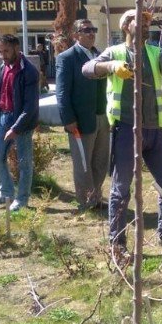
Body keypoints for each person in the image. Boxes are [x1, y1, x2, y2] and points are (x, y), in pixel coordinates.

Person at [82, 8, 162, 266]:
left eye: (148, 21)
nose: (146, 24)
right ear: (126, 25)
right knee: (121, 189)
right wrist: (111, 66)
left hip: (155, 131)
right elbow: (88, 68)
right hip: (125, 129)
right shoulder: (115, 52)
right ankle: (118, 244)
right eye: (140, 20)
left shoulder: (155, 52)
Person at [55, 18, 109, 212]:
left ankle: (96, 197)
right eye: (86, 30)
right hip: (80, 120)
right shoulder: (67, 58)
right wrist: (68, 119)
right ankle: (86, 202)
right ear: (76, 35)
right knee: (83, 164)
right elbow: (61, 92)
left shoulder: (101, 56)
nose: (91, 33)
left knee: (101, 162)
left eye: (93, 29)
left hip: (102, 116)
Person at [0, 34, 39, 212]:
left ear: (16, 48)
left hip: (22, 122)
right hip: (3, 118)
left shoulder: (29, 71)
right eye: (0, 51)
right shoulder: (3, 67)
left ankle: (22, 199)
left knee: (24, 163)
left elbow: (30, 107)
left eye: (6, 51)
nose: (3, 55)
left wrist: (16, 128)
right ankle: (6, 192)